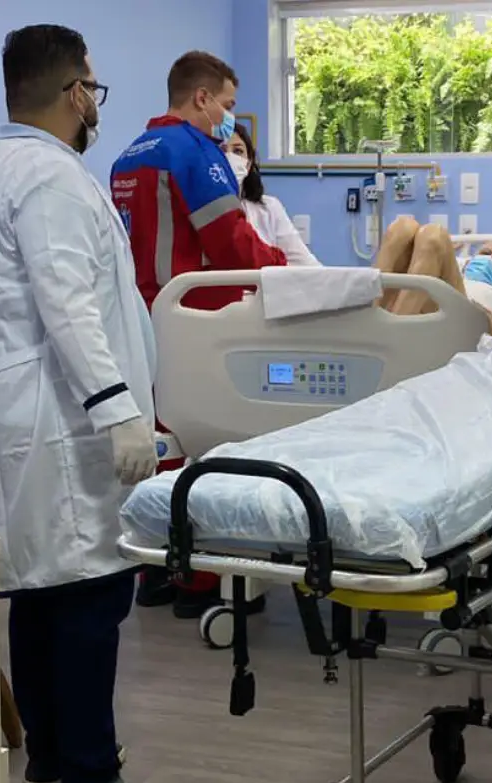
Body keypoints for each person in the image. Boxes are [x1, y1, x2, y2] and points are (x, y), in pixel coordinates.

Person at [0, 25, 172, 783]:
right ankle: (90, 782)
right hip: (65, 422)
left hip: (26, 421)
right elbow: (69, 306)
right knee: (90, 591)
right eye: (94, 88)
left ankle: (49, 756)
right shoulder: (48, 176)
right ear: (75, 92)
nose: (96, 104)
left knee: (40, 592)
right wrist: (120, 411)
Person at [110, 51, 287, 619]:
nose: (229, 118)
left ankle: (156, 573)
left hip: (144, 316)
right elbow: (231, 240)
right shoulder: (193, 149)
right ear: (202, 97)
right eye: (227, 105)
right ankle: (200, 582)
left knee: (163, 445)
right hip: (199, 320)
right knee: (210, 446)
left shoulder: (128, 154)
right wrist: (282, 267)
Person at [376, 216, 492, 336]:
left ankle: (391, 334)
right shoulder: (450, 274)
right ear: (467, 263)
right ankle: (368, 319)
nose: (489, 260)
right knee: (402, 228)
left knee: (434, 236)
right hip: (424, 306)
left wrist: (478, 312)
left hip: (462, 324)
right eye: (485, 254)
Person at [226, 123, 320, 266]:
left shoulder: (269, 208)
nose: (229, 158)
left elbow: (305, 264)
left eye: (238, 151)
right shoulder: (199, 209)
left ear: (249, 163)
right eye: (221, 150)